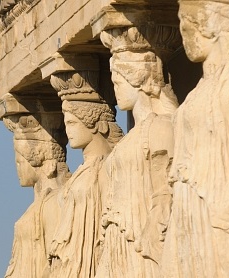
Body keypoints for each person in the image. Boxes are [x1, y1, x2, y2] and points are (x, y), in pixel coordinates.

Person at [162, 1, 229, 276]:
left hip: (219, 200)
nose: (183, 32)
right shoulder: (197, 92)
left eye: (187, 22)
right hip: (189, 201)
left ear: (209, 26)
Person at [96, 26, 179, 277]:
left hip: (142, 236)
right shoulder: (127, 141)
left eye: (119, 81)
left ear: (137, 79)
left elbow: (165, 191)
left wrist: (155, 234)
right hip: (116, 237)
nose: (116, 87)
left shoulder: (160, 127)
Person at [49, 100, 123, 278]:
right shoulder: (81, 172)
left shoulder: (106, 167)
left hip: (93, 256)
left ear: (93, 123)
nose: (68, 131)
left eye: (72, 123)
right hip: (71, 257)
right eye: (66, 124)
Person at [2, 112, 71, 278]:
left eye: (20, 161)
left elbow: (55, 260)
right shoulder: (38, 204)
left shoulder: (54, 202)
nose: (17, 168)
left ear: (36, 158)